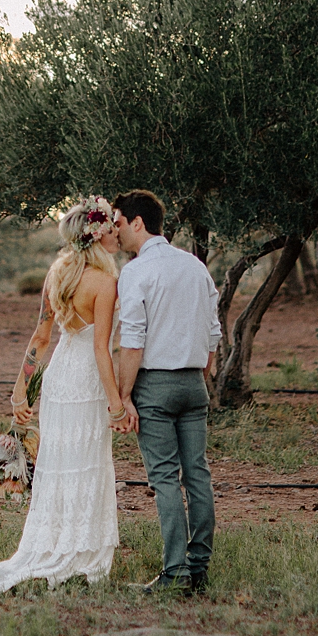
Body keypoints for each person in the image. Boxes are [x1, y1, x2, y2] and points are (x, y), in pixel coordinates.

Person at [0, 197, 125, 592]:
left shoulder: (57, 275)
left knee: (60, 464)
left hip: (58, 380)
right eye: (110, 227)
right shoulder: (106, 283)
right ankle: (80, 553)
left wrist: (21, 390)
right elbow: (102, 349)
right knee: (85, 463)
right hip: (86, 381)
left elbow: (41, 338)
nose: (117, 233)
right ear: (97, 234)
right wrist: (116, 405)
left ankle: (55, 545)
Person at [110, 189, 221, 595]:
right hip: (194, 383)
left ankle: (176, 573)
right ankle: (199, 568)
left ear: (138, 223)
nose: (116, 232)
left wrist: (124, 397)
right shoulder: (195, 266)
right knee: (198, 474)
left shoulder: (136, 271)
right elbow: (213, 332)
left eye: (119, 223)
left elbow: (132, 342)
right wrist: (199, 374)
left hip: (154, 385)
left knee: (164, 479)